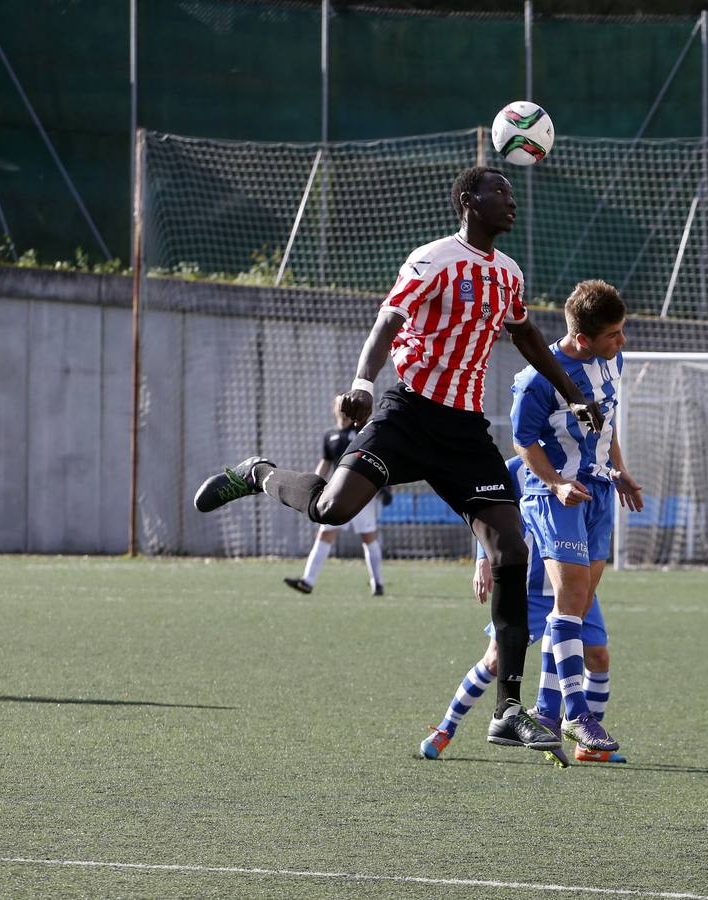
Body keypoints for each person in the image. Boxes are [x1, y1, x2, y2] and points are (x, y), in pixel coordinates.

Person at [193, 165, 605, 754]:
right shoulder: (434, 258)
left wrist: (572, 393)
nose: (511, 201)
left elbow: (528, 337)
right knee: (332, 510)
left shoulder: (508, 274)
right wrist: (362, 382)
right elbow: (390, 317)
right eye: (501, 192)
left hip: (463, 434)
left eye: (513, 193)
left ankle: (508, 708)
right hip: (408, 414)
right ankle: (257, 473)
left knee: (512, 551)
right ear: (469, 200)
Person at [418, 455, 626, 765]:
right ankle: (445, 729)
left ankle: (588, 744)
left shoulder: (585, 464)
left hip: (573, 585)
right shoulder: (516, 468)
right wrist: (482, 559)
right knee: (494, 661)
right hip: (529, 586)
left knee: (598, 656)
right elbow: (486, 511)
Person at [510, 279, 642, 754]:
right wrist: (557, 483)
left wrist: (620, 471)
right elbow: (523, 443)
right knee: (568, 601)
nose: (621, 342)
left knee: (577, 607)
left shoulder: (612, 361)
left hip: (600, 493)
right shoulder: (537, 379)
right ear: (582, 338)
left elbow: (602, 424)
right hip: (558, 499)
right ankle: (577, 716)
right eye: (613, 335)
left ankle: (546, 713)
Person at [283, 394, 387, 597]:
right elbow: (325, 463)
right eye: (339, 405)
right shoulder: (330, 435)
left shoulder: (361, 430)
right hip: (336, 494)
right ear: (334, 408)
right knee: (325, 535)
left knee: (368, 538)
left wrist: (384, 487)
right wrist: (310, 484)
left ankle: (378, 583)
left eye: (345, 404)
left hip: (361, 495)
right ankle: (307, 582)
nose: (343, 408)